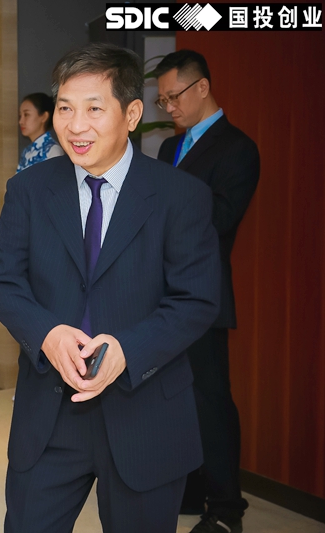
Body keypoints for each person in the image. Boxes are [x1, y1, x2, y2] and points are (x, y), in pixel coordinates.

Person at [0, 42, 221, 533]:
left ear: (131, 114)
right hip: (50, 413)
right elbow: (2, 279)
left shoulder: (180, 196)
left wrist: (127, 351)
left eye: (94, 109)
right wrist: (47, 334)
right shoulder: (28, 190)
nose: (75, 126)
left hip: (145, 411)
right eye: (65, 109)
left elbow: (195, 300)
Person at [155, 49, 259, 533]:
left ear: (202, 87)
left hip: (203, 295)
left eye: (174, 96)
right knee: (174, 398)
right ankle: (191, 490)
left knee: (211, 399)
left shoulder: (237, 148)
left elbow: (219, 218)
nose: (169, 107)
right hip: (161, 295)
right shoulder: (167, 149)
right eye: (162, 101)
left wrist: (162, 210)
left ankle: (226, 508)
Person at [17, 92, 63, 172]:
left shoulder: (53, 150)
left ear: (44, 116)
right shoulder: (26, 152)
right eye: (20, 116)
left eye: (26, 115)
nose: (21, 121)